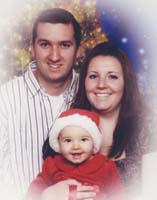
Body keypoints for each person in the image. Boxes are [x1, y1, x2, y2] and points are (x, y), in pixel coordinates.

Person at [0, 7, 82, 199]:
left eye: (64, 45)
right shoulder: (5, 99)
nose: (54, 56)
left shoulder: (92, 91)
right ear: (32, 47)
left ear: (78, 50)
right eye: (45, 44)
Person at [70, 41, 147, 199]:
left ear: (126, 83)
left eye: (112, 77)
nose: (101, 85)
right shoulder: (66, 127)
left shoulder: (148, 132)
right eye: (93, 76)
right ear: (84, 82)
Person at [27, 108, 124, 200]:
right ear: (59, 144)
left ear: (93, 142)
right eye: (68, 140)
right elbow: (33, 193)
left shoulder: (106, 167)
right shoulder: (52, 166)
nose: (76, 146)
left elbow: (117, 195)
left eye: (83, 140)